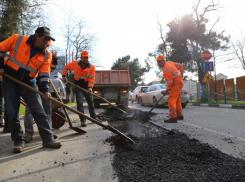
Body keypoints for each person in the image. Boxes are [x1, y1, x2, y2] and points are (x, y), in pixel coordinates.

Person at [0, 26, 62, 153]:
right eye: (45, 38)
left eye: (48, 40)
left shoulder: (46, 55)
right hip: (10, 81)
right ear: (37, 35)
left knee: (39, 111)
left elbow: (44, 75)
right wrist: (1, 66)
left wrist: (45, 91)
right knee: (12, 113)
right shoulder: (17, 39)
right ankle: (18, 142)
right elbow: (0, 49)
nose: (46, 42)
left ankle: (47, 139)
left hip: (29, 83)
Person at [24, 48, 58, 143]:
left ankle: (47, 132)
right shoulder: (31, 53)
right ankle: (28, 133)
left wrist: (55, 59)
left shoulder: (47, 55)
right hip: (32, 85)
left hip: (44, 86)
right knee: (29, 110)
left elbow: (52, 68)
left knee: (47, 109)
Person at [62, 50, 96, 127]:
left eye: (87, 58)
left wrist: (90, 88)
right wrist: (64, 76)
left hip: (87, 86)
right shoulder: (75, 63)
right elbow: (66, 67)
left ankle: (94, 118)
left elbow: (92, 79)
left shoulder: (92, 67)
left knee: (90, 102)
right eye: (84, 58)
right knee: (80, 102)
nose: (86, 59)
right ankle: (83, 121)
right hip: (77, 85)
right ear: (81, 57)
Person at [156, 55, 184, 123]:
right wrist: (181, 74)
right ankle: (180, 116)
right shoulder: (170, 63)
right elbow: (181, 66)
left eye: (159, 62)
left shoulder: (166, 69)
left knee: (171, 100)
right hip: (179, 82)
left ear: (163, 61)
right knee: (176, 100)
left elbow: (170, 82)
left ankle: (173, 117)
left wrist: (167, 91)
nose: (158, 64)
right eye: (157, 62)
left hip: (176, 84)